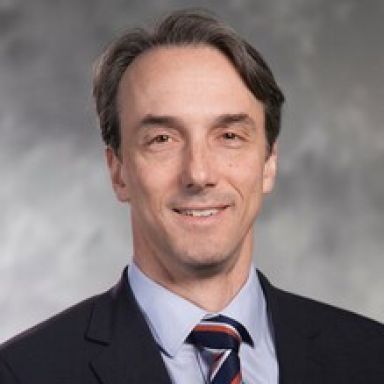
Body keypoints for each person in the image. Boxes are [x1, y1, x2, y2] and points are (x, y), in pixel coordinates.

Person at [1, 9, 383, 384]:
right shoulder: (23, 372)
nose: (199, 174)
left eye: (229, 136)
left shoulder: (371, 356)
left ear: (268, 163)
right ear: (118, 171)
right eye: (162, 139)